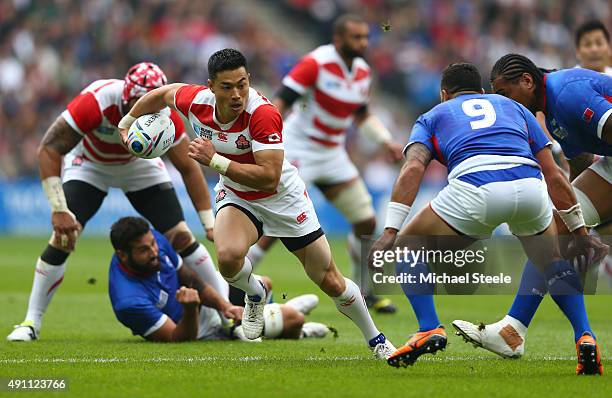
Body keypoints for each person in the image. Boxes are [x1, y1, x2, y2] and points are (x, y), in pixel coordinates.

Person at [117, 48, 396, 358]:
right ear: (211, 86)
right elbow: (162, 94)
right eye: (227, 87)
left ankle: (377, 339)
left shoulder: (262, 114)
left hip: (283, 199)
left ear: (249, 80)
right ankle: (256, 292)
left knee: (330, 280)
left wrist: (215, 160)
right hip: (238, 195)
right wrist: (127, 122)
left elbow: (269, 177)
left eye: (242, 84)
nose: (237, 94)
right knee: (227, 257)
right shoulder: (195, 101)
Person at [369, 63, 606, 374]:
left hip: (477, 187)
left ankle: (429, 327)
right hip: (530, 187)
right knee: (551, 261)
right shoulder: (514, 107)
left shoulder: (433, 115)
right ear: (482, 91)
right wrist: (579, 230)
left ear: (444, 95)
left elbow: (413, 168)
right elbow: (553, 174)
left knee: (408, 247)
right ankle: (584, 335)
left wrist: (389, 231)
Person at [7, 62, 222, 342]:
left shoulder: (166, 114)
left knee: (181, 236)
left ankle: (227, 312)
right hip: (90, 164)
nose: (145, 109)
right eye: (138, 103)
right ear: (125, 97)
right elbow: (49, 148)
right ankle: (30, 322)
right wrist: (58, 209)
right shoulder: (96, 100)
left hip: (139, 167)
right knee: (63, 237)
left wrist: (209, 223)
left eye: (151, 103)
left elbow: (189, 167)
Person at [452, 54, 611, 375]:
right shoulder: (550, 113)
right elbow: (580, 163)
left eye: (506, 95)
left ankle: (514, 332)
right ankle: (513, 332)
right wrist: (581, 223)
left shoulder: (568, 92)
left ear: (527, 81)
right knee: (553, 231)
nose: (504, 104)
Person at [245, 15, 404, 314]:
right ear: (338, 39)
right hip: (297, 149)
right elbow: (281, 102)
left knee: (366, 221)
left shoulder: (362, 72)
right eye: (356, 38)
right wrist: (266, 140)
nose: (363, 43)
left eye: (365, 37)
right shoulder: (315, 63)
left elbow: (362, 116)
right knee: (277, 227)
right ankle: (234, 283)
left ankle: (365, 290)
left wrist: (386, 141)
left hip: (332, 154)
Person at [108, 216, 329, 341]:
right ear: (123, 255)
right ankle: (300, 330)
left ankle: (246, 319)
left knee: (264, 285)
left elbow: (190, 278)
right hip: (199, 327)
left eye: (153, 245)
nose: (154, 252)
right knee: (293, 319)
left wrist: (224, 306)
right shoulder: (128, 301)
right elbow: (177, 338)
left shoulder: (155, 239)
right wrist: (190, 309)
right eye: (143, 250)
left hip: (205, 303)